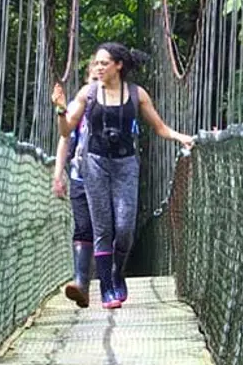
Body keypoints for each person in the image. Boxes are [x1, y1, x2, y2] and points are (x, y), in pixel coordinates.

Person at [64, 43, 193, 309]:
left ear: (118, 65)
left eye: (104, 63)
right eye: (96, 63)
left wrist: (183, 138)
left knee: (124, 229)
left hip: (125, 165)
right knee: (103, 228)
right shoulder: (88, 93)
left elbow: (159, 127)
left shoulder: (136, 94)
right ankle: (106, 290)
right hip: (95, 164)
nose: (98, 68)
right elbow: (66, 129)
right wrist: (58, 109)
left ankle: (116, 273)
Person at [51, 60, 100, 308]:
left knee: (112, 228)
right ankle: (81, 282)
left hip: (110, 178)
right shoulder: (78, 107)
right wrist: (58, 175)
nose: (95, 87)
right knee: (83, 227)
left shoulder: (120, 104)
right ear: (85, 83)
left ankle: (109, 281)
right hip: (80, 174)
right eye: (92, 81)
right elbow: (65, 138)